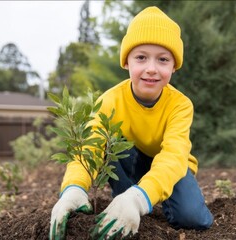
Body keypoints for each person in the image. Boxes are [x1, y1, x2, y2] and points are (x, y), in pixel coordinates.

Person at [49, 6, 213, 240]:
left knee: (194, 219)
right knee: (115, 148)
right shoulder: (110, 100)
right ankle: (125, 199)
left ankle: (137, 198)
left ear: (174, 66)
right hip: (129, 161)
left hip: (169, 165)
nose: (151, 69)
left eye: (163, 59)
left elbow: (174, 156)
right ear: (126, 61)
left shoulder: (180, 105)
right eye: (141, 57)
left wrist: (139, 198)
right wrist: (74, 188)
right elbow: (91, 146)